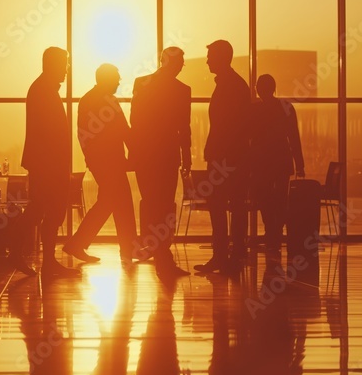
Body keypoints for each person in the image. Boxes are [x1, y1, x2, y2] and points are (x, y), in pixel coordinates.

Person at [64, 63, 138, 266]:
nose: (119, 80)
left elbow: (84, 135)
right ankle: (127, 248)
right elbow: (123, 130)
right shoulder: (108, 101)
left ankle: (79, 243)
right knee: (119, 201)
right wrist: (137, 155)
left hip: (101, 161)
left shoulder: (88, 100)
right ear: (107, 79)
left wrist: (91, 158)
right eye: (116, 77)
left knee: (112, 201)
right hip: (111, 161)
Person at [14, 46, 79, 277]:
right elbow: (48, 134)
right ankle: (44, 261)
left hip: (46, 164)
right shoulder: (43, 91)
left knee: (41, 209)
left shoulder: (42, 89)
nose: (67, 70)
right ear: (53, 64)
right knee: (48, 211)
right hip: (48, 165)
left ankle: (31, 255)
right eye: (64, 64)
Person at [129, 47, 192, 279]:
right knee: (165, 205)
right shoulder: (182, 90)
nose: (181, 67)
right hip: (167, 156)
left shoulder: (142, 83)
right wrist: (187, 157)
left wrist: (134, 153)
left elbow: (135, 121)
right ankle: (162, 254)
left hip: (146, 156)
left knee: (151, 202)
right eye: (180, 63)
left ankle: (155, 249)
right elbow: (183, 128)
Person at [196, 40, 253, 274]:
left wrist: (216, 151)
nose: (207, 60)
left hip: (226, 158)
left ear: (221, 58)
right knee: (233, 206)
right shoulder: (234, 85)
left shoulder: (231, 86)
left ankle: (225, 256)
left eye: (210, 56)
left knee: (220, 207)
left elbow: (227, 126)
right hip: (231, 157)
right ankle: (232, 255)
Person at [250, 74, 305, 263]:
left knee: (264, 199)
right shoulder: (286, 108)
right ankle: (276, 232)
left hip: (260, 162)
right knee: (280, 199)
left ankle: (270, 232)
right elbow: (293, 137)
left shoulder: (253, 109)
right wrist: (300, 164)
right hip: (281, 160)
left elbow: (248, 139)